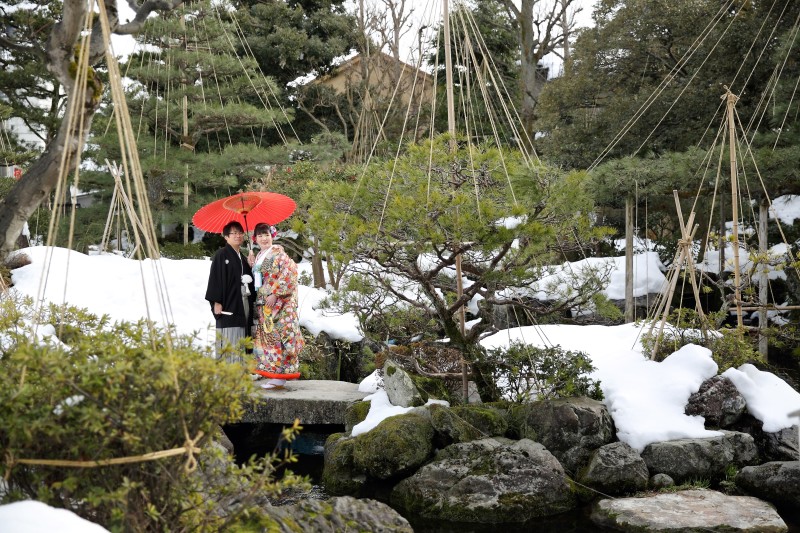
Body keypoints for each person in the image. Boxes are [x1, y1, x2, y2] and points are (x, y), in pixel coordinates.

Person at [248, 223, 304, 390]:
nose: (264, 239)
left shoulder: (278, 253)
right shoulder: (259, 255)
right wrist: (253, 263)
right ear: (255, 239)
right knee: (270, 337)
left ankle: (281, 376)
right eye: (260, 236)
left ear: (272, 235)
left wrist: (276, 293)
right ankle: (275, 375)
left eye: (266, 235)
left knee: (281, 336)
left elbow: (290, 272)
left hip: (280, 304)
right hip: (266, 305)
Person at [205, 221, 255, 364]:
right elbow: (215, 278)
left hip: (243, 301)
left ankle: (243, 369)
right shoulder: (221, 255)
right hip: (229, 303)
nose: (238, 236)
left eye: (240, 233)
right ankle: (229, 372)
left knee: (244, 331)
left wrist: (252, 266)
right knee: (230, 334)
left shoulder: (243, 258)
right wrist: (216, 301)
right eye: (234, 233)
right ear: (226, 236)